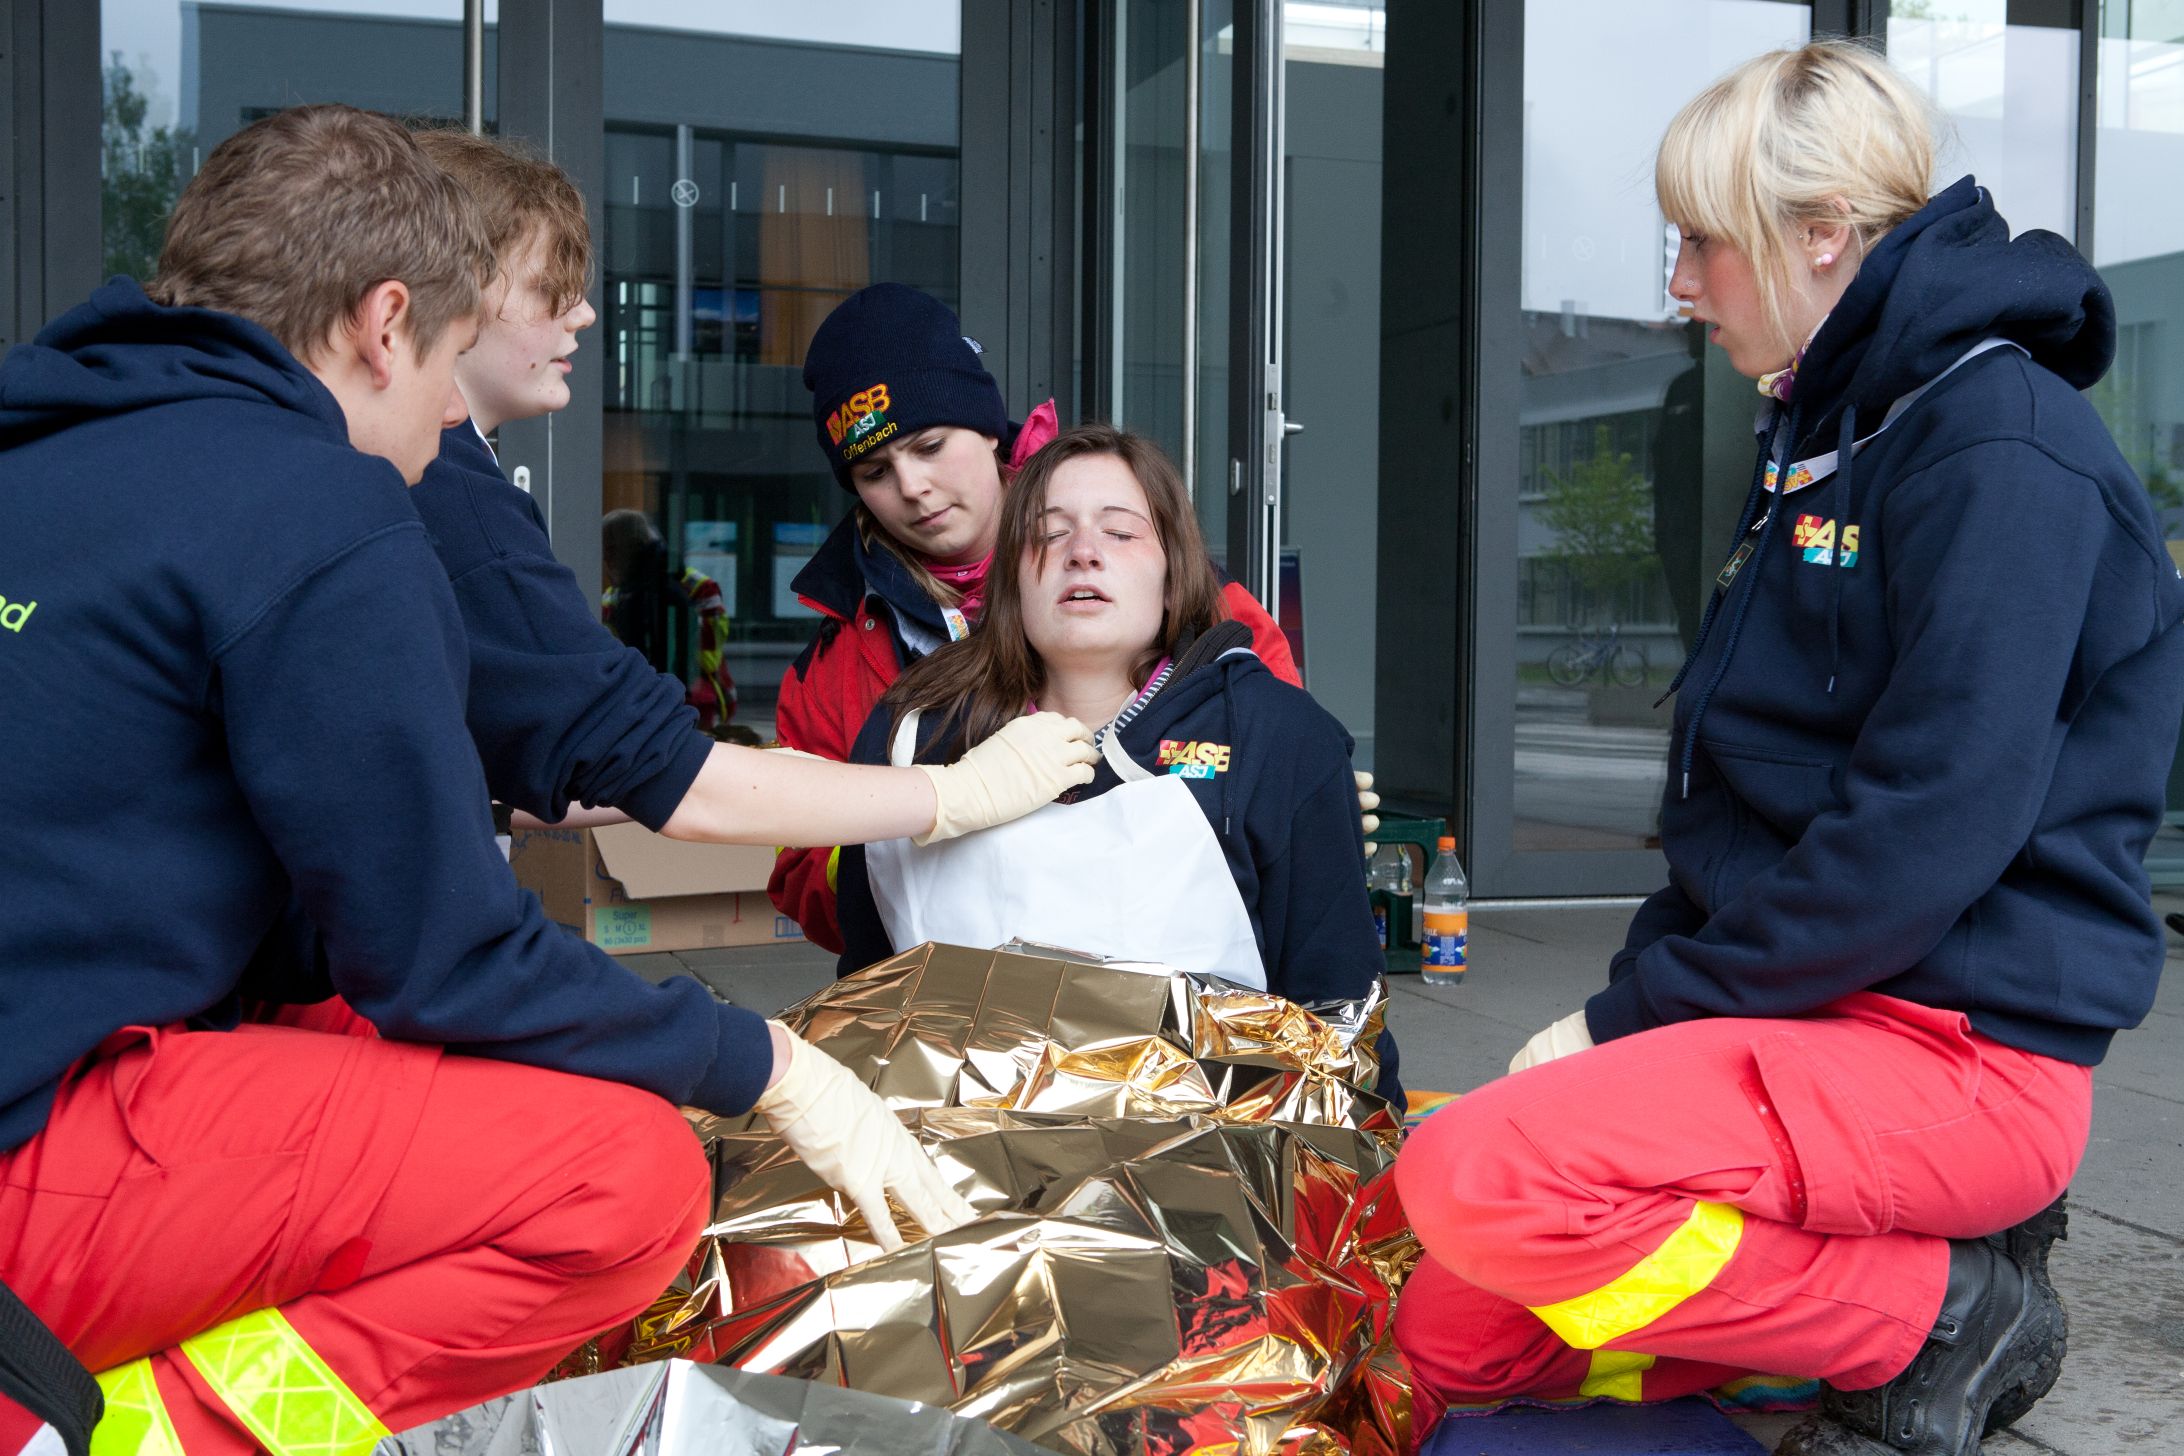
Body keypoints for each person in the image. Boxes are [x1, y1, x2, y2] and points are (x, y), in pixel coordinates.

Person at [0, 106, 1084, 1456]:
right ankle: (154, 1435)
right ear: (385, 324)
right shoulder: (319, 506)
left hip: (57, 1050)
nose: (442, 429)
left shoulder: (44, 444)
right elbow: (443, 954)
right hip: (36, 1152)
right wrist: (763, 1060)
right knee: (620, 1181)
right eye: (451, 369)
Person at [1391, 41, 2184, 1456]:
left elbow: (1923, 830)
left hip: (1958, 1050)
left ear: (1823, 237)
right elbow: (1740, 812)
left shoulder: (2001, 450)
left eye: (1702, 243)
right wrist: (1639, 1004)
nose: (1680, 285)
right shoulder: (1834, 434)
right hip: (1817, 1013)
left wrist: (1623, 1025)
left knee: (1479, 1181)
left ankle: (1937, 1312)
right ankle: (1855, 1295)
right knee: (1450, 1340)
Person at [829, 424, 1401, 1107]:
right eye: (1049, 533)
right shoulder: (913, 733)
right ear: (1012, 575)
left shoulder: (1276, 736)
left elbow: (1339, 1016)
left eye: (1121, 532)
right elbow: (865, 988)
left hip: (1205, 1162)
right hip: (948, 1157)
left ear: (1172, 572)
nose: (1084, 554)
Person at [769, 284, 1319, 953]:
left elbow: (1275, 748)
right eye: (875, 470)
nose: (912, 486)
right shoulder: (830, 671)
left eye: (931, 445)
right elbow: (802, 873)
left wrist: (1308, 807)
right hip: (950, 1014)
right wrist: (911, 824)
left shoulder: (1147, 565)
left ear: (986, 428)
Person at [599, 508, 737, 729]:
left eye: (611, 552)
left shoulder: (700, 589)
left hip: (698, 709)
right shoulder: (612, 599)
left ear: (633, 547)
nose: (607, 563)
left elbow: (706, 658)